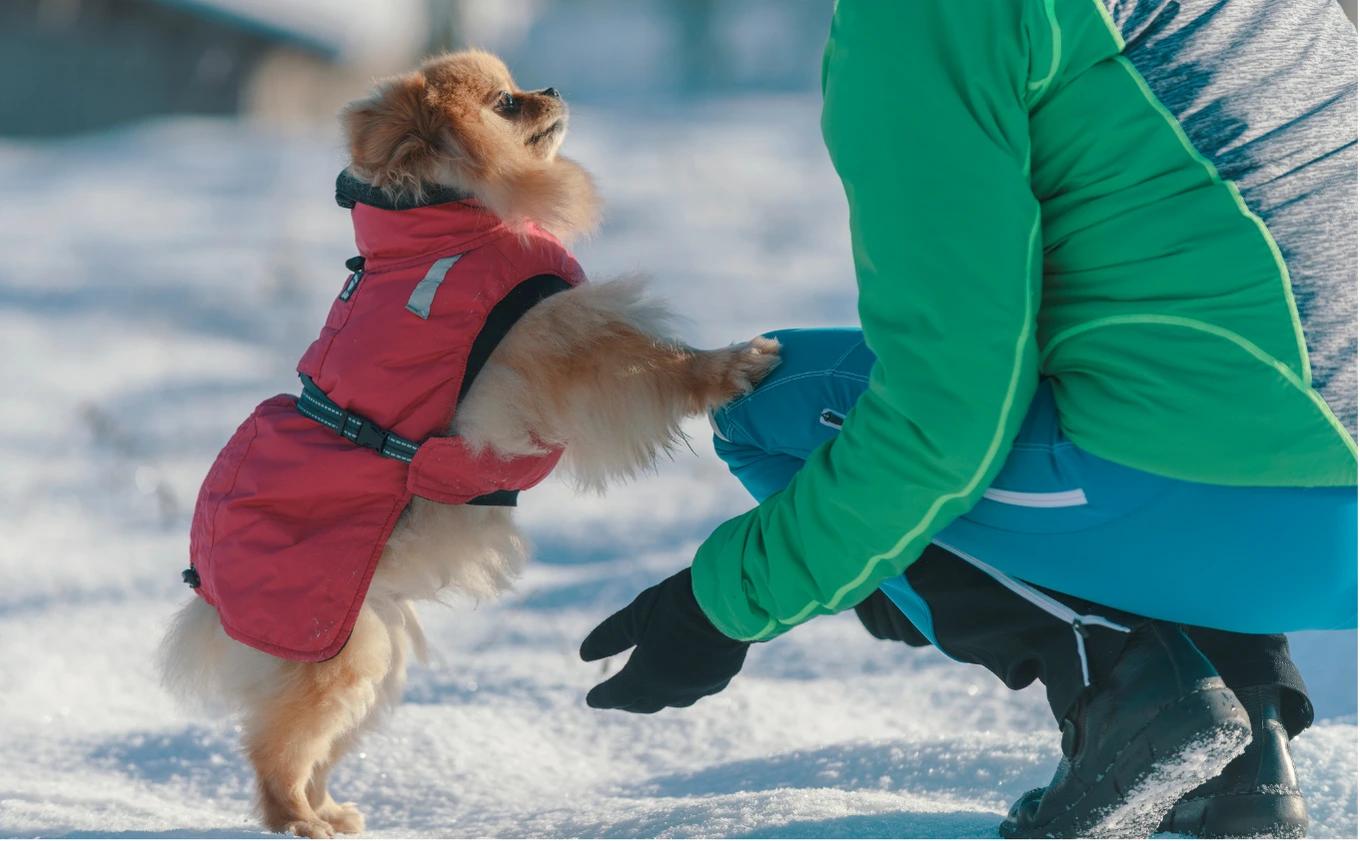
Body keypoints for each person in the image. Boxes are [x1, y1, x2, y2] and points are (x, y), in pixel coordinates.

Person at [577, 1, 1358, 837]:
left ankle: (1130, 687)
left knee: (767, 404)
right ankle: (1243, 741)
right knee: (1163, 354)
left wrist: (718, 606)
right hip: (1325, 535)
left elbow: (944, 416)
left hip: (1232, 494)